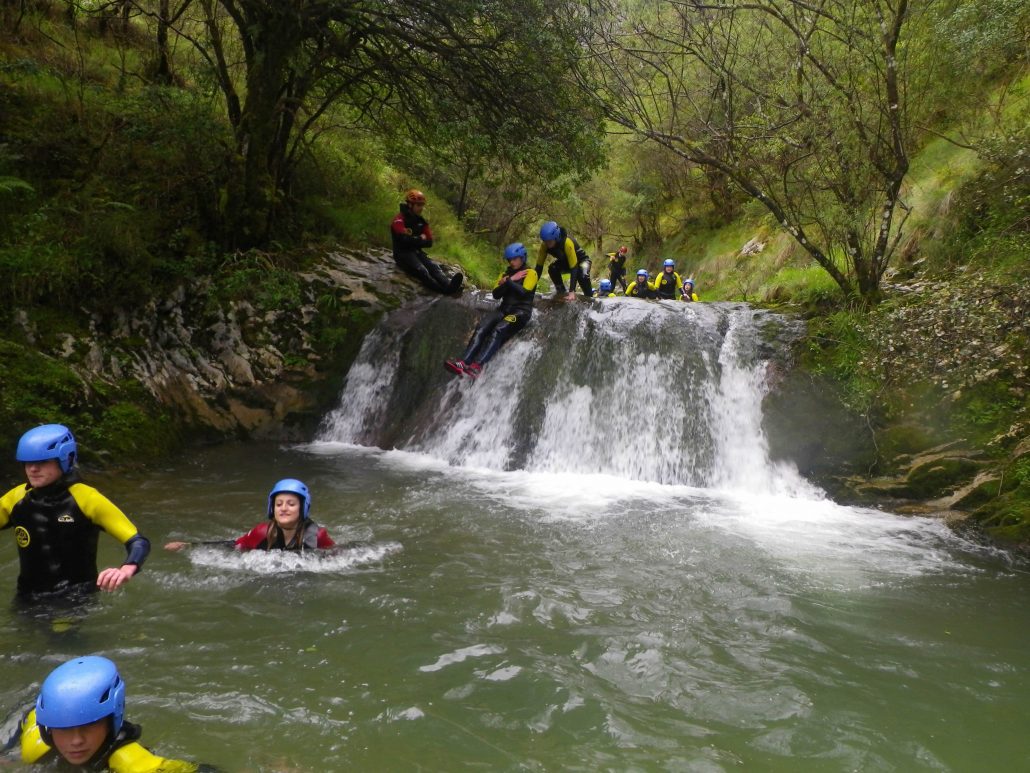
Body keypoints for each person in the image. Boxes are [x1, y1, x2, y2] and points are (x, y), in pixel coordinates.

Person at [0, 424, 150, 600]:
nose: (33, 469)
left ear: (65, 459)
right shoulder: (15, 498)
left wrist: (126, 569)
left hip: (74, 598)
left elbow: (138, 541)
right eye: (28, 462)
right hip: (27, 597)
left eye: (42, 462)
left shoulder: (87, 499)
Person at [11, 655, 203, 771]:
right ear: (49, 729)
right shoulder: (37, 742)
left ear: (111, 721)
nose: (76, 740)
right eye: (64, 729)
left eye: (88, 726)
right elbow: (29, 713)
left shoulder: (136, 765)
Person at [445, 242, 538, 380]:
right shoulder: (504, 274)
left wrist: (507, 282)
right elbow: (496, 294)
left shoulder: (530, 273)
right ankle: (463, 362)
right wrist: (510, 279)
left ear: (522, 258)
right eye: (509, 260)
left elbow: (523, 292)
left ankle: (477, 366)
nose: (512, 262)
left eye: (515, 259)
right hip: (503, 309)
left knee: (499, 329)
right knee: (482, 327)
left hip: (520, 312)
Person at [165, 478, 334, 552]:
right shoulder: (262, 532)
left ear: (302, 508)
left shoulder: (318, 535)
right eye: (279, 504)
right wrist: (189, 545)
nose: (284, 508)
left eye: (291, 504)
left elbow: (340, 555)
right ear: (272, 508)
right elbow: (233, 545)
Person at [390, 188, 463, 295]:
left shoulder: (421, 222)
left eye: (422, 205)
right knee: (422, 270)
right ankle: (443, 291)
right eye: (418, 205)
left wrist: (414, 240)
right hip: (402, 254)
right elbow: (403, 240)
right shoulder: (399, 220)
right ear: (410, 205)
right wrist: (420, 238)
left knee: (434, 267)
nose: (421, 208)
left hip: (416, 252)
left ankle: (449, 285)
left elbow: (429, 242)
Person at [534, 221, 594, 300]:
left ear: (556, 237)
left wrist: (572, 291)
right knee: (552, 269)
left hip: (582, 261)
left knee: (582, 274)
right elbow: (538, 268)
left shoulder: (567, 242)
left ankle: (589, 297)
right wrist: (531, 288)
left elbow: (574, 267)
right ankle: (561, 292)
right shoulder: (544, 246)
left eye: (550, 241)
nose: (548, 244)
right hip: (566, 263)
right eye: (545, 241)